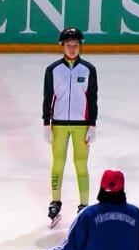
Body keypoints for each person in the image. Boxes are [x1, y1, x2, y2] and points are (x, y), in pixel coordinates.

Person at [42, 27, 98, 226]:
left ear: (81, 46)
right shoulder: (53, 70)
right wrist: (46, 123)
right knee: (58, 164)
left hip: (81, 125)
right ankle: (55, 201)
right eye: (68, 45)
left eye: (75, 46)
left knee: (81, 165)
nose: (72, 49)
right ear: (62, 46)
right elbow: (48, 97)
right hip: (58, 125)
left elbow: (92, 99)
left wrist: (92, 124)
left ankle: (84, 204)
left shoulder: (89, 70)